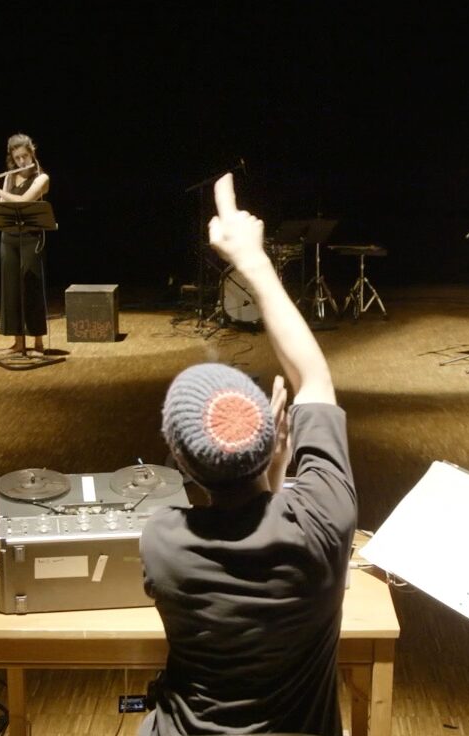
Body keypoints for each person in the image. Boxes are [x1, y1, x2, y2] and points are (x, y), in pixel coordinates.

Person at [138, 174, 354, 736]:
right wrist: (254, 261)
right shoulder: (325, 521)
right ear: (271, 436)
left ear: (182, 462)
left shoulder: (162, 539)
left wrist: (270, 478)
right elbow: (315, 379)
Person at [0, 133, 52, 354]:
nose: (22, 161)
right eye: (17, 158)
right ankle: (18, 342)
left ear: (32, 153)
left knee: (31, 288)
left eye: (25, 156)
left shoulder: (42, 178)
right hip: (8, 238)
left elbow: (24, 201)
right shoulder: (9, 178)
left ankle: (37, 343)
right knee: (11, 289)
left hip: (31, 239)